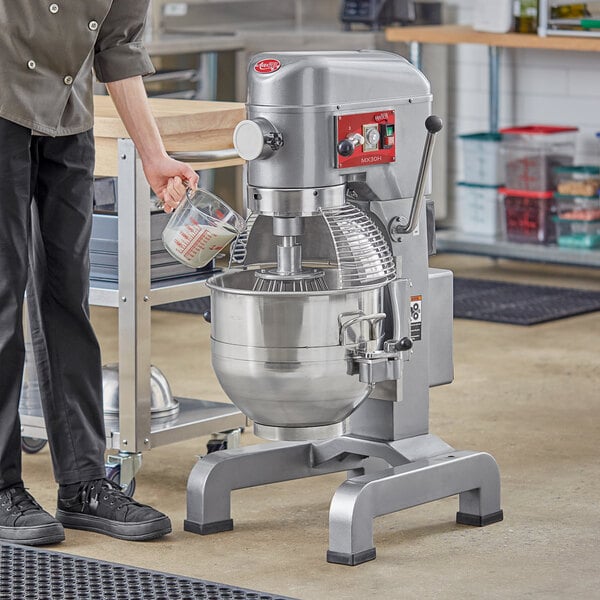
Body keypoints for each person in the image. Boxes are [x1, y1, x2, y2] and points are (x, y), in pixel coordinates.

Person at [0, 1, 199, 545]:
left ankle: (84, 483)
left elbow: (118, 47)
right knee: (1, 298)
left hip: (68, 113)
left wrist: (155, 157)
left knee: (68, 295)